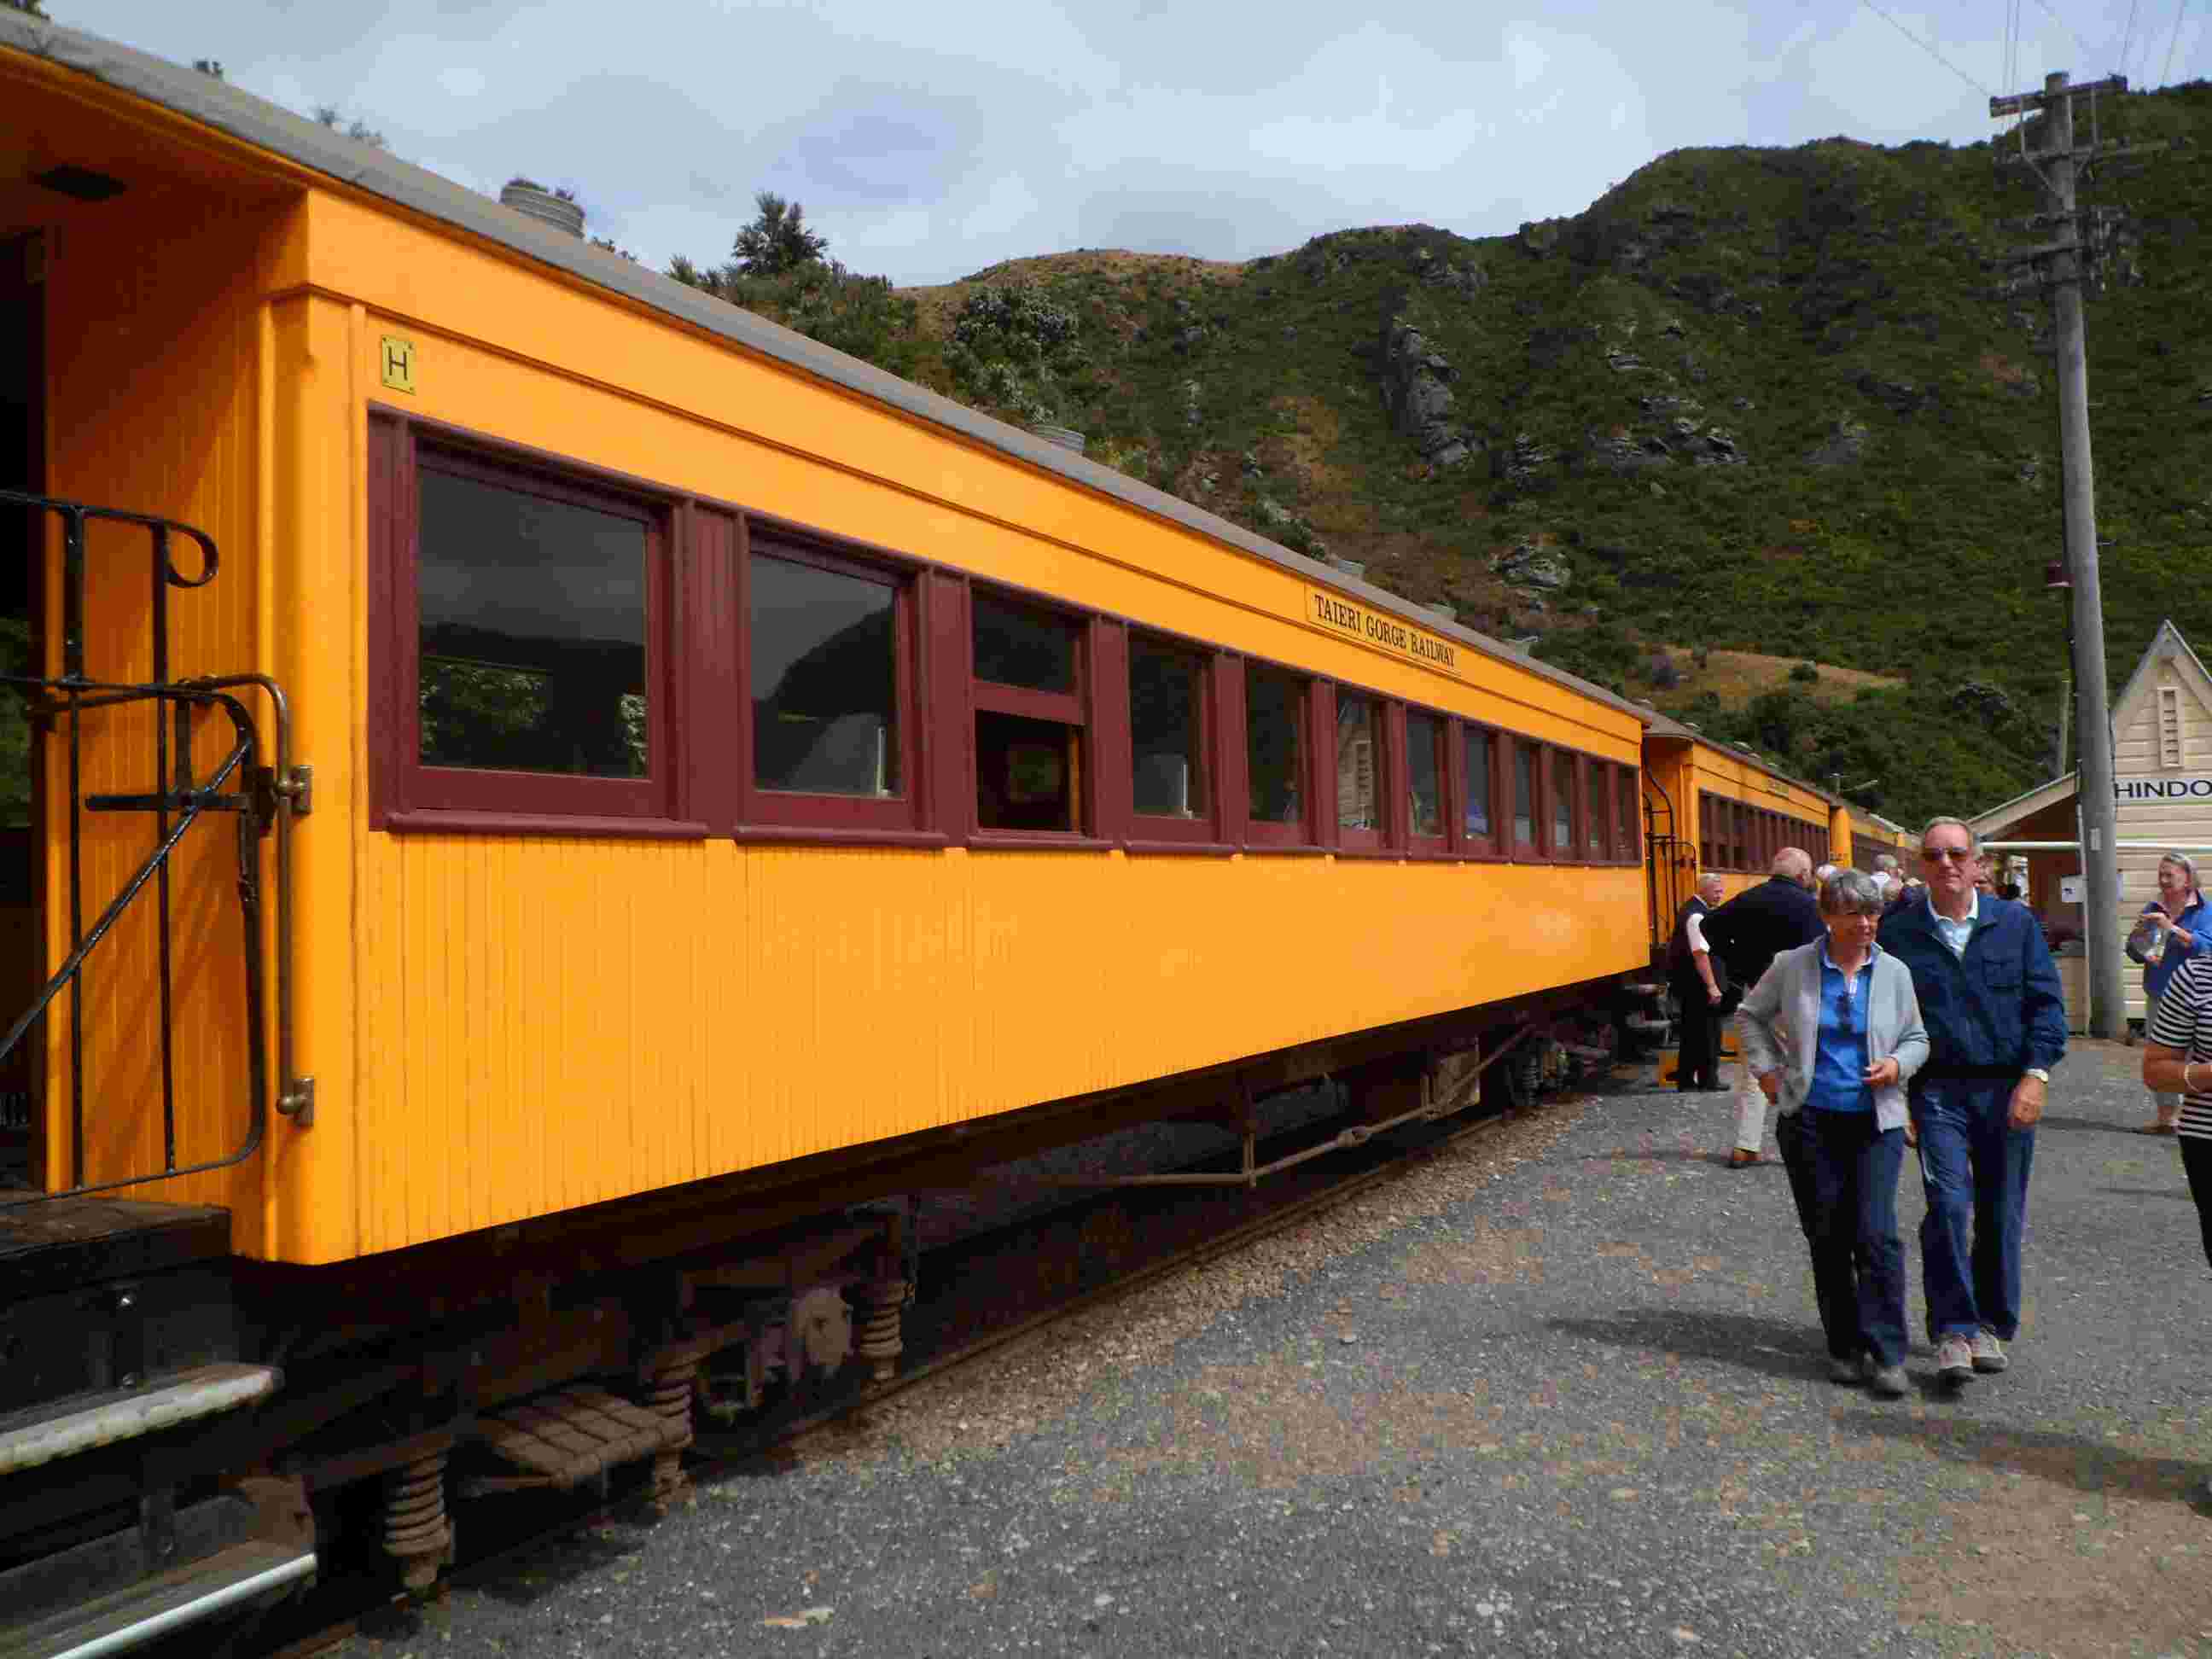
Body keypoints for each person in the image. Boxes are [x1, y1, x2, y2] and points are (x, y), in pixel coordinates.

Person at [1877, 816, 2066, 1388]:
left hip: (2007, 1087)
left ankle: (1991, 1324)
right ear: (1918, 866)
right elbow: (1883, 1021)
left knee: (2001, 1210)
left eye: (1957, 854)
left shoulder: (2015, 925)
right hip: (1936, 1091)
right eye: (1934, 855)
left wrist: (2036, 1076)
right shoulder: (1899, 931)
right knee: (1949, 1207)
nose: (1947, 865)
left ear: (1979, 863)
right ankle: (1953, 1330)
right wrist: (1897, 1094)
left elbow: (2047, 1007)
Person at [1742, 870, 1928, 1396]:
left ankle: (1889, 1353)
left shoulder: (1893, 972)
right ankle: (1843, 1346)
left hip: (1876, 1122)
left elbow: (1918, 1036)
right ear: (1827, 917)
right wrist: (1767, 1071)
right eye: (1854, 914)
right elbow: (1751, 1016)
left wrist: (1897, 1064)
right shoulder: (1793, 966)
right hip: (1810, 1120)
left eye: (1873, 914)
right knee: (1827, 1235)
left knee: (1876, 1234)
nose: (1867, 924)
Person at [1699, 847, 1824, 1167]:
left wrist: (1738, 965)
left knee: (1757, 1067)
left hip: (1757, 989)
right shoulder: (1810, 907)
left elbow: (1708, 927)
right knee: (1806, 1063)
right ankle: (1809, 1142)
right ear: (1803, 876)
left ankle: (1746, 1144)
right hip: (1798, 994)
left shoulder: (1749, 898)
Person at [2133, 852, 2211, 1135]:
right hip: (2160, 992)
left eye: (2170, 875)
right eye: (2161, 874)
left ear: (2188, 879)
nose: (2163, 880)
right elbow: (2134, 951)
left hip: (2197, 996)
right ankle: (2166, 1118)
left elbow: (2206, 947)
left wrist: (2171, 928)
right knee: (2160, 1057)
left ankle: (2193, 1116)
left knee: (2196, 1055)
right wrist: (2141, 942)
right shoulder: (2154, 907)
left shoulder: (2205, 911)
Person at [1667, 874, 1727, 1091]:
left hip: (1693, 983)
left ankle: (1689, 1080)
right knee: (1707, 1033)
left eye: (1721, 891)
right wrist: (1712, 985)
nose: (1720, 895)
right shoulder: (1696, 916)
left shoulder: (1694, 910)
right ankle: (1707, 1080)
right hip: (1698, 985)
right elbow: (1700, 954)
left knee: (1694, 1033)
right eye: (1716, 891)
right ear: (1703, 890)